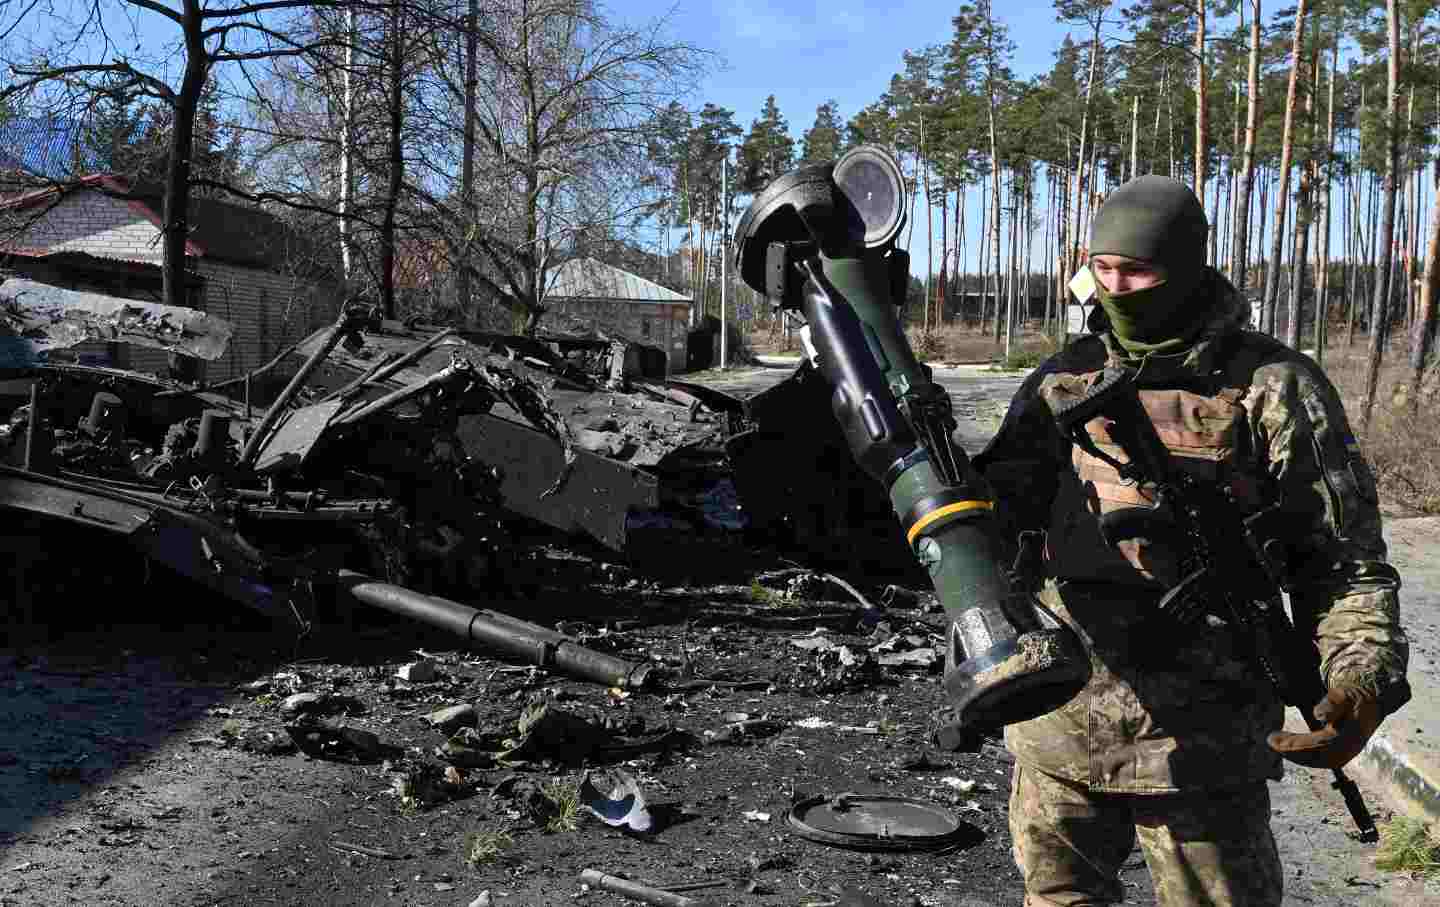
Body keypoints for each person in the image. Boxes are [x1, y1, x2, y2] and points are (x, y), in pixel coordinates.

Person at [971, 175, 1410, 907]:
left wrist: (1359, 676)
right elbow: (990, 520)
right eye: (1101, 269)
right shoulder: (1062, 381)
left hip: (1203, 746)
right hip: (1061, 730)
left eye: (1138, 271)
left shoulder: (1274, 387)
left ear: (1189, 269)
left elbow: (1343, 560)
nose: (1116, 287)